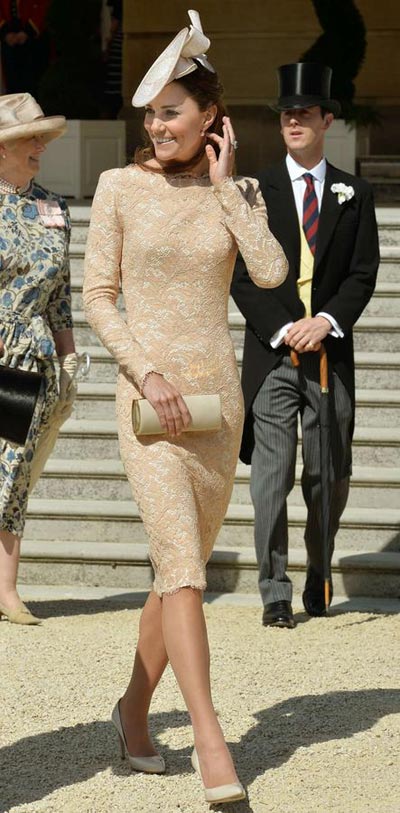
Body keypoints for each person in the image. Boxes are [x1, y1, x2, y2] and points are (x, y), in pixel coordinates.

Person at [83, 10, 287, 805]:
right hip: (148, 405)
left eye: (171, 110)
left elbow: (270, 275)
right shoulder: (118, 187)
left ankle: (133, 710)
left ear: (211, 118)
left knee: (178, 575)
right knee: (182, 568)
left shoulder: (236, 192)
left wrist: (229, 188)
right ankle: (210, 737)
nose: (155, 123)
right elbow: (100, 295)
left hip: (218, 408)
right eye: (149, 113)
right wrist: (146, 371)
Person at [231, 63, 379, 629]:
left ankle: (319, 574)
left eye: (305, 113)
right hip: (272, 355)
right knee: (272, 475)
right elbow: (243, 276)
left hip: (330, 355)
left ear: (326, 120)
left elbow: (363, 274)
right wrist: (284, 328)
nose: (294, 120)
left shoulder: (354, 192)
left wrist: (327, 322)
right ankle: (274, 590)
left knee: (328, 473)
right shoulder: (255, 191)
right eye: (287, 113)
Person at [0, 92, 78, 625]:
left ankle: (6, 589)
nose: (40, 149)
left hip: (33, 358)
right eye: (30, 140)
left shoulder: (53, 208)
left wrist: (70, 357)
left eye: (42, 140)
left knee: (15, 470)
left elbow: (60, 295)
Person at [0, 0, 51, 96]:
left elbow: (44, 6)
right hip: (8, 34)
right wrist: (5, 32)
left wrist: (29, 31)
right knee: (13, 83)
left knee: (34, 82)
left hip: (34, 39)